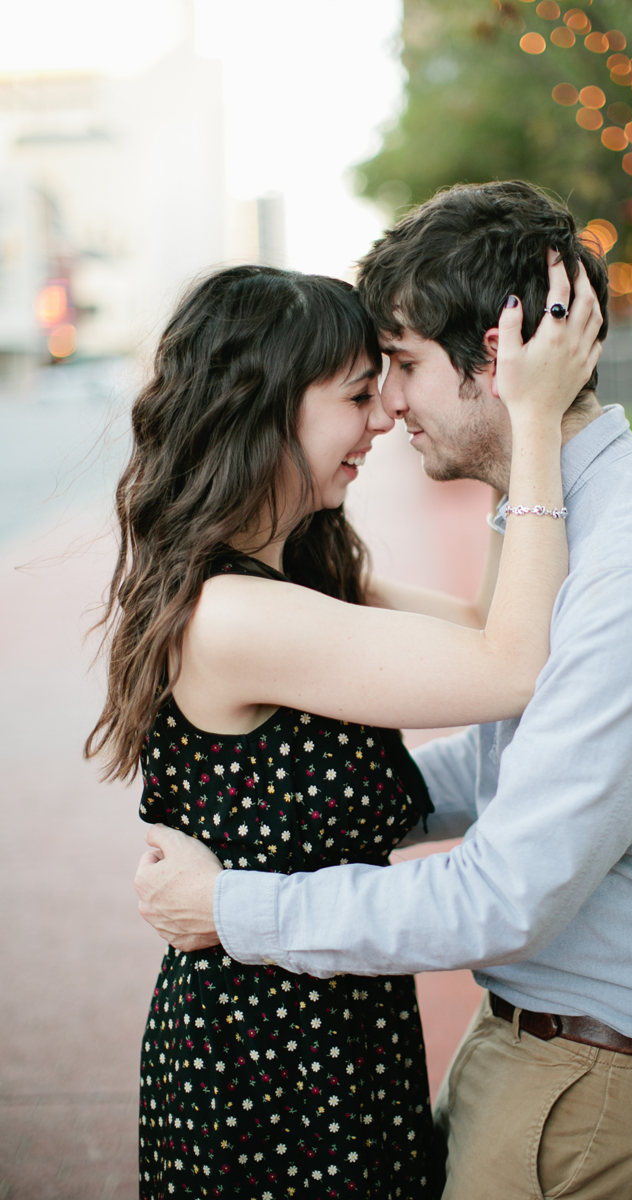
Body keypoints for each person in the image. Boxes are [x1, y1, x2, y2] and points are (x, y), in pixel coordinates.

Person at [136, 181, 632, 1200]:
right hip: (524, 1044)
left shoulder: (630, 568)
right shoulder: (573, 522)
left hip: (586, 1068)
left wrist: (232, 901)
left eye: (398, 367)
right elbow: (506, 749)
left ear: (497, 361)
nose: (389, 407)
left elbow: (500, 891)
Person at [89, 256, 603, 1199]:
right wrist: (531, 423)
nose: (381, 421)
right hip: (269, 1069)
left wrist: (495, 443)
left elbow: (499, 629)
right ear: (267, 404)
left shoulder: (306, 571)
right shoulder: (234, 617)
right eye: (358, 395)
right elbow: (514, 670)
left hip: (339, 1034)